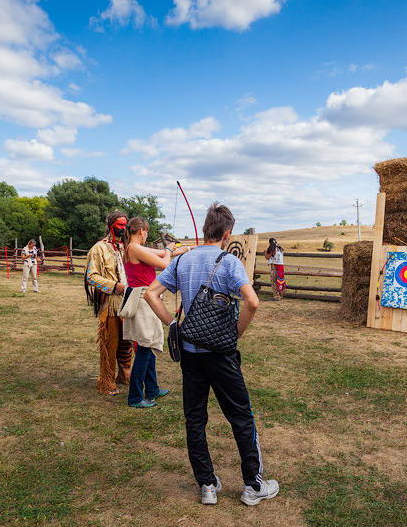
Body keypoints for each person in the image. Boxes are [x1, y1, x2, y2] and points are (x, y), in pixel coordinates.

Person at [144, 203, 279, 507]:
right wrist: (235, 335)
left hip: (191, 353)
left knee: (195, 418)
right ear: (227, 233)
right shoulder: (229, 262)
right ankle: (252, 485)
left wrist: (172, 325)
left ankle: (207, 485)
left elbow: (151, 294)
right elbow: (253, 302)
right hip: (221, 353)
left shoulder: (182, 261)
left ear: (205, 229)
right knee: (241, 417)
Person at [123, 217, 189, 408]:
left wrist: (186, 249)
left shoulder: (135, 248)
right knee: (144, 349)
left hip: (146, 298)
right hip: (144, 299)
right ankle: (135, 397)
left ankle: (151, 389)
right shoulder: (134, 248)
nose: (147, 235)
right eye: (146, 232)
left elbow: (162, 253)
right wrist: (169, 250)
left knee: (149, 346)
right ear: (141, 231)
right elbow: (165, 263)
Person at [84, 211, 132, 395]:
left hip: (127, 302)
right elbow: (91, 277)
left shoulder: (125, 247)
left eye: (125, 225)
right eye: (120, 225)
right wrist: (114, 286)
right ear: (110, 225)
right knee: (110, 342)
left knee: (126, 340)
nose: (123, 228)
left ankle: (124, 374)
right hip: (111, 304)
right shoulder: (99, 248)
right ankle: (107, 380)